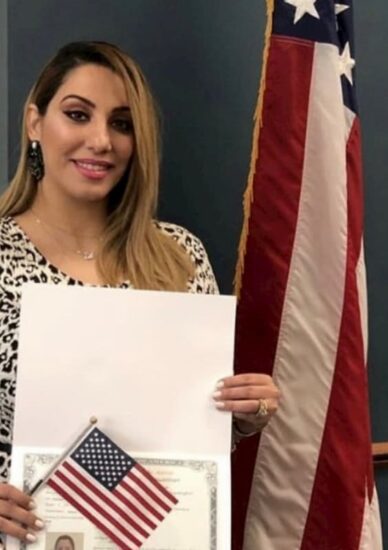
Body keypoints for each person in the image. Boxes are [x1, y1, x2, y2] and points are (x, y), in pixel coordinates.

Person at [0, 41, 280, 543]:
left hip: (157, 533)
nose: (101, 140)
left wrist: (239, 417)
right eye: (78, 115)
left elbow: (189, 435)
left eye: (123, 124)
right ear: (34, 123)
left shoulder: (179, 257)